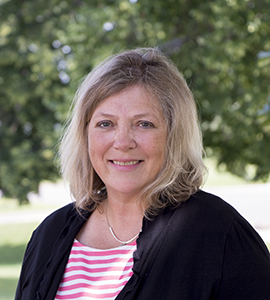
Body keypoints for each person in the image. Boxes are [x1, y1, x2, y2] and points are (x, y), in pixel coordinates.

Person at [15, 48, 270, 300]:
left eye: (144, 124)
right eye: (106, 124)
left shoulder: (219, 234)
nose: (123, 142)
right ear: (85, 135)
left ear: (173, 136)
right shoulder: (48, 235)